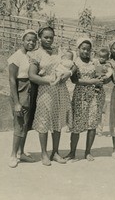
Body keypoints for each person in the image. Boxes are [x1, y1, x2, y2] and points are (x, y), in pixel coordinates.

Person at [28, 27, 75, 166]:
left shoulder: (58, 52)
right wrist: (49, 80)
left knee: (57, 120)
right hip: (45, 91)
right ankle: (44, 153)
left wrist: (68, 74)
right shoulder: (35, 54)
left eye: (51, 37)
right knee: (44, 120)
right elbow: (32, 76)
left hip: (60, 90)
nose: (49, 40)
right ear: (40, 37)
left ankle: (55, 152)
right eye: (46, 37)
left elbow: (73, 65)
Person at [64, 38, 105, 161]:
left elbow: (100, 76)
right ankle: (72, 152)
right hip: (80, 96)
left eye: (88, 49)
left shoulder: (95, 63)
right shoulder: (75, 63)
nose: (86, 51)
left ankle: (88, 152)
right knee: (76, 125)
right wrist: (92, 81)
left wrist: (100, 80)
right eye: (83, 49)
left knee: (92, 124)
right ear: (78, 49)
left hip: (94, 96)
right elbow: (75, 80)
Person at [8, 29, 38, 168]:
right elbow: (12, 80)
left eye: (34, 40)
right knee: (19, 124)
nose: (31, 43)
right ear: (23, 40)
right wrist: (17, 103)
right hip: (20, 90)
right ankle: (13, 155)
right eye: (28, 40)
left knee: (25, 124)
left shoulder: (30, 56)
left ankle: (21, 152)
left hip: (31, 90)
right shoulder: (16, 57)